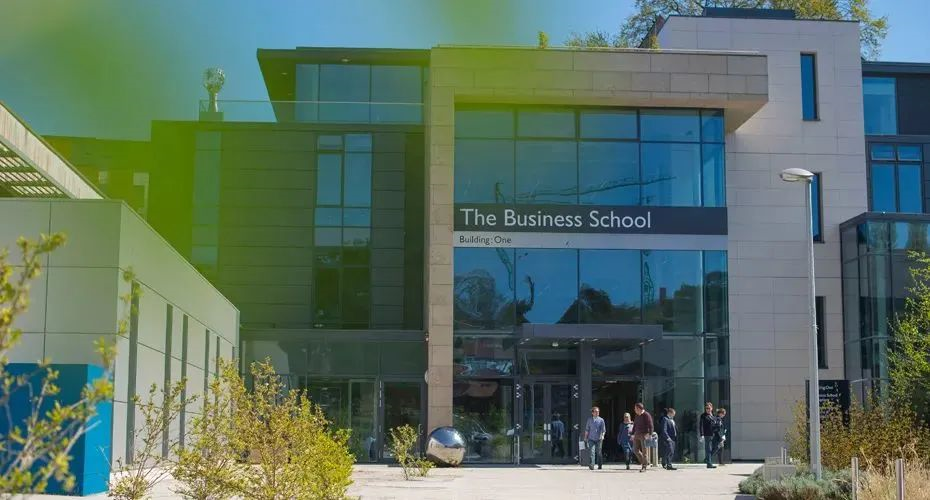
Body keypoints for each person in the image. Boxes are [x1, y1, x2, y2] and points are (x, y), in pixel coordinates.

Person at [632, 402, 654, 473]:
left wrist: (650, 434)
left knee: (644, 451)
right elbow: (635, 425)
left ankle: (644, 466)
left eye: (635, 408)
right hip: (637, 434)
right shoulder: (637, 415)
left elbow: (650, 425)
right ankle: (645, 462)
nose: (634, 410)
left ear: (639, 409)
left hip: (644, 434)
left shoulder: (646, 415)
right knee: (635, 450)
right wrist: (632, 434)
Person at [699, 402, 717, 469]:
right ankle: (709, 464)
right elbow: (701, 425)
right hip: (707, 434)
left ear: (711, 408)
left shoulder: (713, 415)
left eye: (709, 408)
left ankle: (707, 459)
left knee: (716, 447)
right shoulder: (703, 415)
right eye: (706, 408)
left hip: (714, 434)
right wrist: (702, 434)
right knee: (708, 449)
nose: (708, 409)